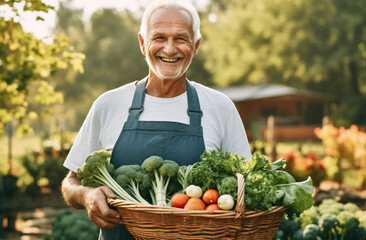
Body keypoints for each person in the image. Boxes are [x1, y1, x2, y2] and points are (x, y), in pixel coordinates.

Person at [61, 0, 251, 239]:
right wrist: (86, 196)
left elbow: (247, 184)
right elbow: (71, 183)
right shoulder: (108, 105)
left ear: (196, 46)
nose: (170, 49)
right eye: (159, 37)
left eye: (181, 38)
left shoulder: (220, 107)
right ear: (142, 43)